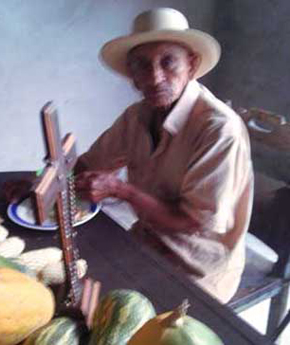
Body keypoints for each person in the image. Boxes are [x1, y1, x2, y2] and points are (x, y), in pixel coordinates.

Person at [74, 8, 254, 303]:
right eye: (142, 66)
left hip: (198, 270)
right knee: (77, 289)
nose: (155, 77)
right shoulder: (137, 116)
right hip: (147, 240)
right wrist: (39, 184)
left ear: (191, 65)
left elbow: (191, 221)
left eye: (168, 62)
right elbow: (88, 164)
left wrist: (120, 190)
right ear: (132, 76)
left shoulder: (219, 129)